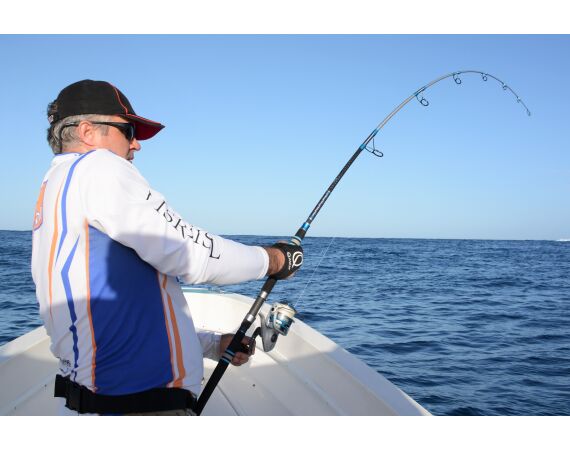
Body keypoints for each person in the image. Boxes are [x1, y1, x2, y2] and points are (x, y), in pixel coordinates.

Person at [31, 79, 303, 415]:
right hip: (135, 409)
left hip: (102, 403)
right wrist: (273, 260)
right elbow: (191, 254)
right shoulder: (98, 167)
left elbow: (123, 312)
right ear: (87, 131)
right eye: (128, 131)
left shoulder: (57, 187)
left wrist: (211, 344)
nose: (136, 145)